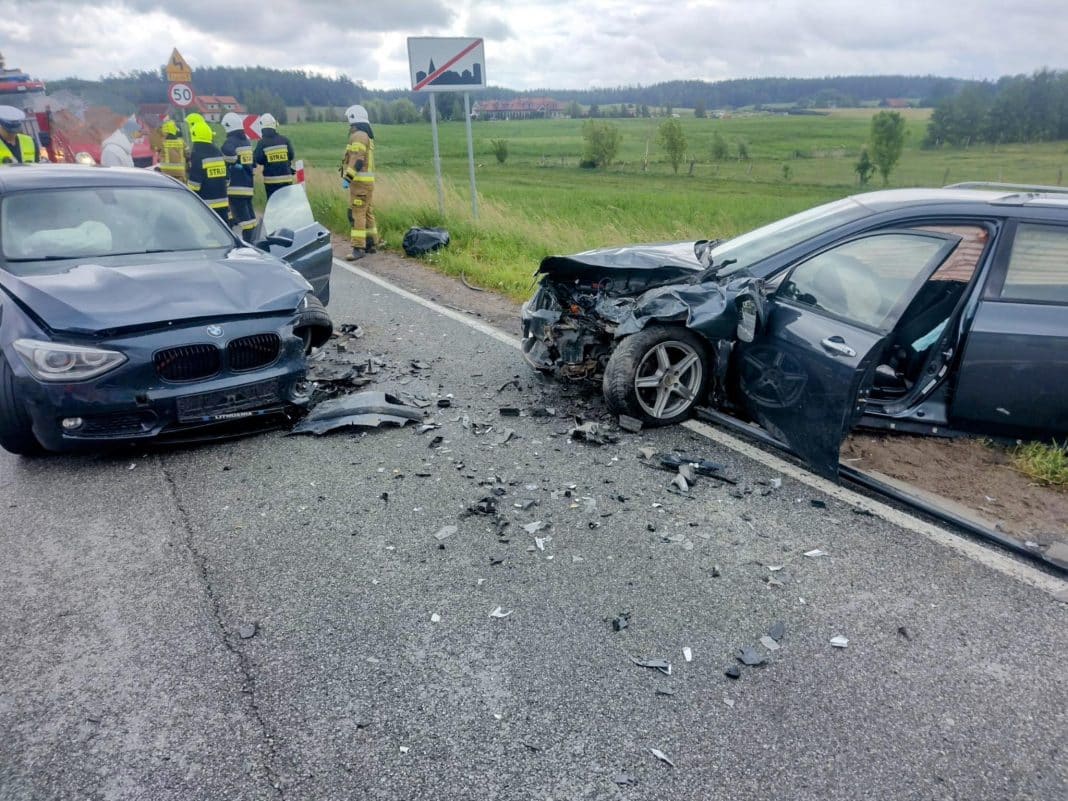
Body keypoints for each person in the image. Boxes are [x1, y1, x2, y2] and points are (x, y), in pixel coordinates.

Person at [341, 104, 377, 261]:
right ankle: (371, 243)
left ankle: (358, 247)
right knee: (367, 213)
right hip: (367, 184)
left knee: (357, 214)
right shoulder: (366, 135)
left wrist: (348, 178)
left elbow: (357, 159)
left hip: (359, 184)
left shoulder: (358, 136)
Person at [220, 112, 256, 240]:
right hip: (248, 186)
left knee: (243, 220)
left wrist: (231, 161)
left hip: (235, 187)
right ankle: (254, 240)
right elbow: (253, 163)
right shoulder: (246, 142)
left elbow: (229, 156)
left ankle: (249, 245)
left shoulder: (230, 142)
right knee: (250, 218)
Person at [186, 119, 229, 222]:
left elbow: (194, 185)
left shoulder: (197, 155)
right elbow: (227, 179)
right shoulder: (218, 152)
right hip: (223, 202)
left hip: (206, 205)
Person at [253, 113, 294, 199]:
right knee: (287, 205)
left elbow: (258, 159)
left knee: (274, 206)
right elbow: (291, 155)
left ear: (262, 128)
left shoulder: (262, 143)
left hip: (271, 182)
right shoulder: (285, 140)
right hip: (287, 180)